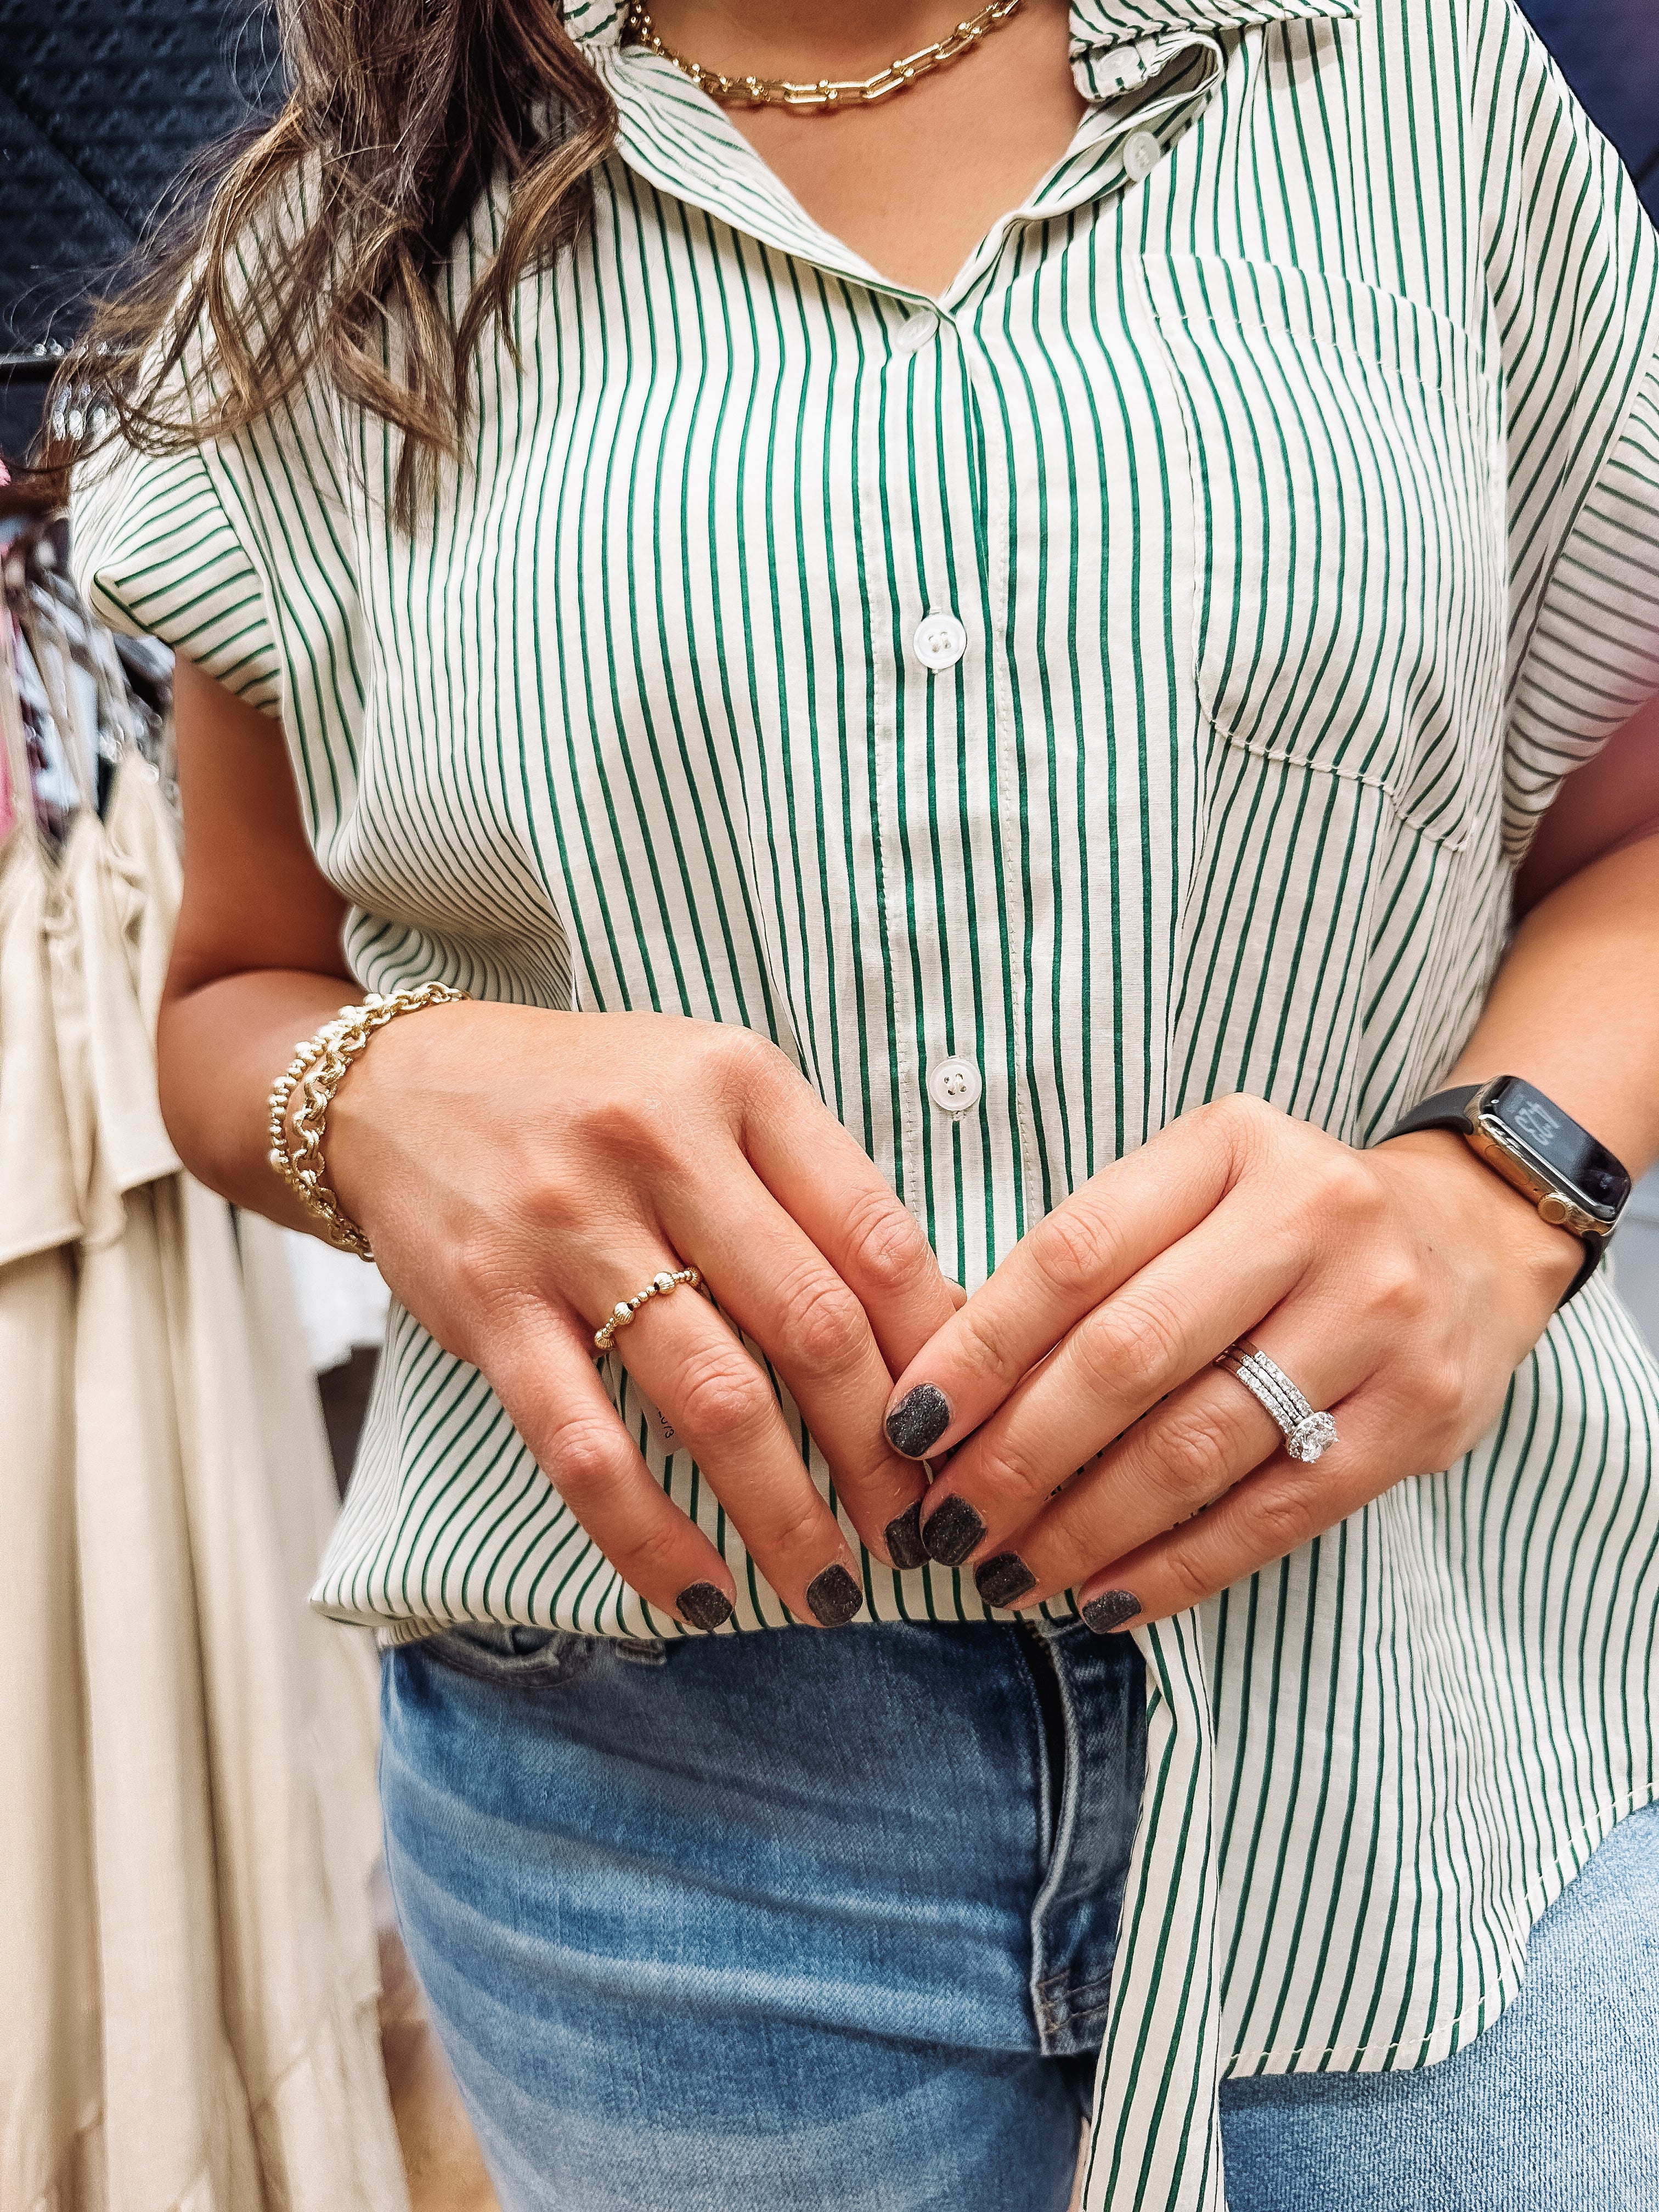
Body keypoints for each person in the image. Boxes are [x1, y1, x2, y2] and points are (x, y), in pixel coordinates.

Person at [68, 0, 1659, 2204]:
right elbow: (235, 994)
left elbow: (1633, 834)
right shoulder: (350, 211)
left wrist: (1504, 1195)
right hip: (676, 1849)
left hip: (1432, 1728)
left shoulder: (1407, 81)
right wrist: (386, 1086)